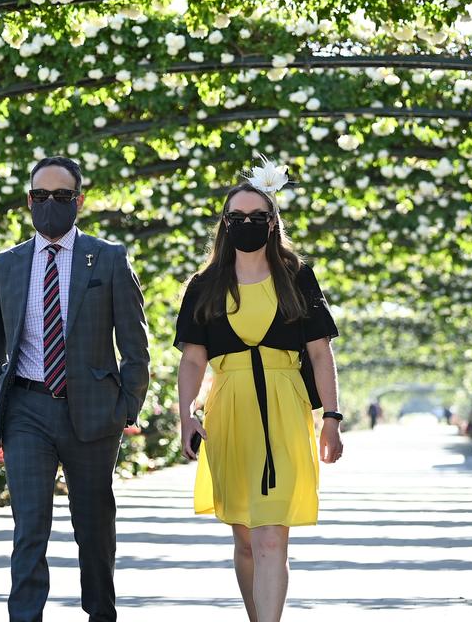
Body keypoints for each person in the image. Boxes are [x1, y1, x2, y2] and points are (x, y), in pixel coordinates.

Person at [0, 156, 150, 622]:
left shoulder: (109, 257)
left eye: (60, 197)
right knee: (29, 526)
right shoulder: (6, 264)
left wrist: (126, 408)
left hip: (94, 415)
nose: (49, 205)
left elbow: (135, 345)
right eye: (40, 197)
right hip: (26, 412)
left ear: (79, 200)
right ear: (28, 201)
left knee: (93, 529)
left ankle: (101, 613)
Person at [174, 173, 345, 622]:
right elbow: (193, 360)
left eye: (257, 216)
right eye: (237, 216)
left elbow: (320, 351)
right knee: (246, 539)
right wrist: (186, 415)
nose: (246, 223)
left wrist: (332, 417)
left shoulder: (296, 277)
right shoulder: (204, 284)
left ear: (272, 222)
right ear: (225, 223)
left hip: (286, 409)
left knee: (272, 537)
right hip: (229, 410)